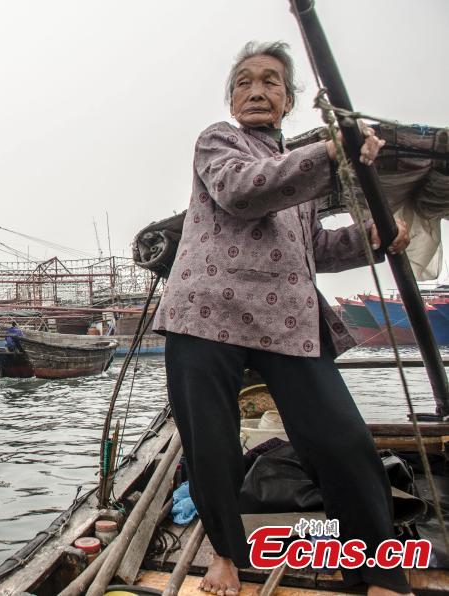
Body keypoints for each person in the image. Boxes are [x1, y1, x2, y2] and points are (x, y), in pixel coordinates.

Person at [152, 41, 412, 596]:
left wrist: (369, 237)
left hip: (287, 320)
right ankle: (225, 552)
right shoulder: (218, 143)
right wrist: (333, 151)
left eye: (270, 82)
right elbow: (242, 192)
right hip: (206, 312)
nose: (256, 91)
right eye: (244, 82)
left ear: (288, 100)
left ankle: (377, 569)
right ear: (231, 97)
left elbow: (312, 246)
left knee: (341, 439)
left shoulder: (302, 172)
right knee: (212, 446)